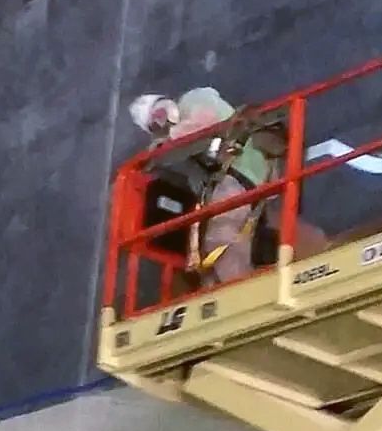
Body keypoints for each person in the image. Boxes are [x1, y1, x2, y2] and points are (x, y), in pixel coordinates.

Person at [129, 88, 325, 284]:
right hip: (247, 181)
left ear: (167, 101)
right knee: (218, 254)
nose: (164, 122)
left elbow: (204, 125)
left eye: (161, 113)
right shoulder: (183, 141)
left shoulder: (194, 100)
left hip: (237, 176)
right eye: (156, 124)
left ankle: (239, 293)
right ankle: (225, 289)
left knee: (220, 239)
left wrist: (161, 148)